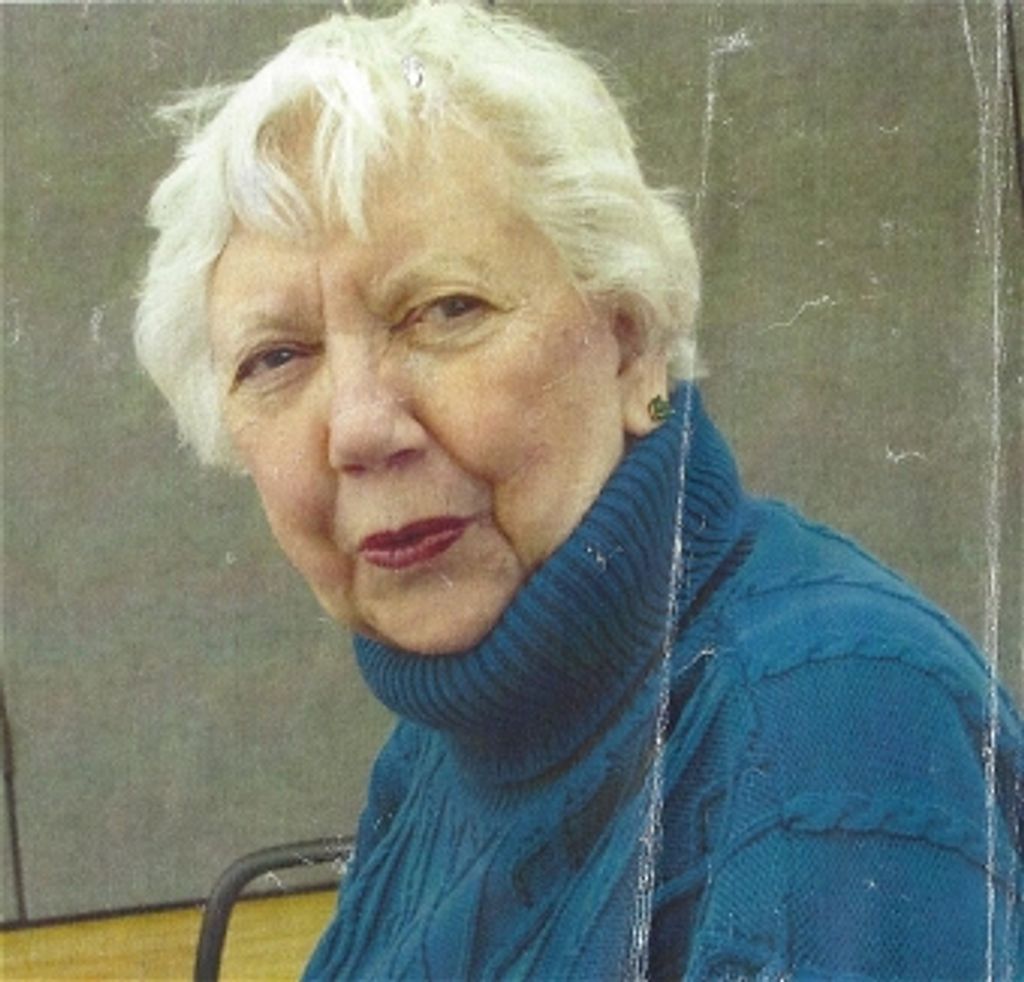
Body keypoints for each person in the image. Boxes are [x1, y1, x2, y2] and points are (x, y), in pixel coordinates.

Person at [135, 2, 1022, 977]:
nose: (358, 428)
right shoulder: (441, 745)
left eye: (444, 310)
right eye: (275, 358)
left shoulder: (831, 725)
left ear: (631, 340)